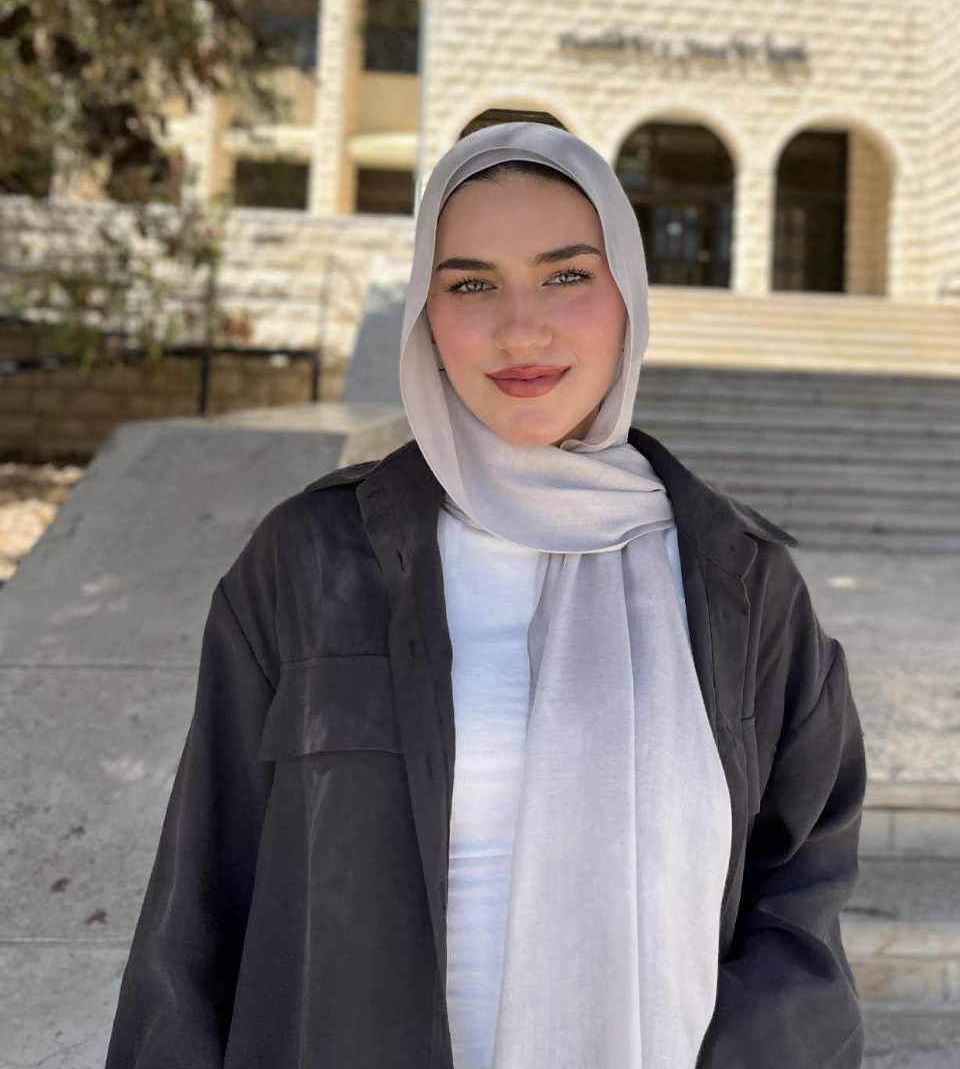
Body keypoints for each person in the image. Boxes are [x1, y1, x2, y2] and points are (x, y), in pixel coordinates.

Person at [104, 120, 867, 1069]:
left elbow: (798, 907)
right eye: (471, 284)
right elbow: (198, 910)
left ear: (628, 295)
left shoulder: (739, 584)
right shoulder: (314, 561)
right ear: (425, 314)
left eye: (566, 275)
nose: (521, 329)